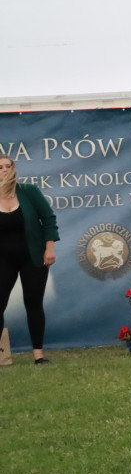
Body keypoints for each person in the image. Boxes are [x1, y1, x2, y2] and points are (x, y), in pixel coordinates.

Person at [0, 155, 59, 365]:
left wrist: (49, 248)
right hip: (3, 260)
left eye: (9, 166)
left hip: (33, 256)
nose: (5, 170)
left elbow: (49, 219)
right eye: (0, 167)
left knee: (33, 304)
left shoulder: (28, 191)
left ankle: (38, 355)